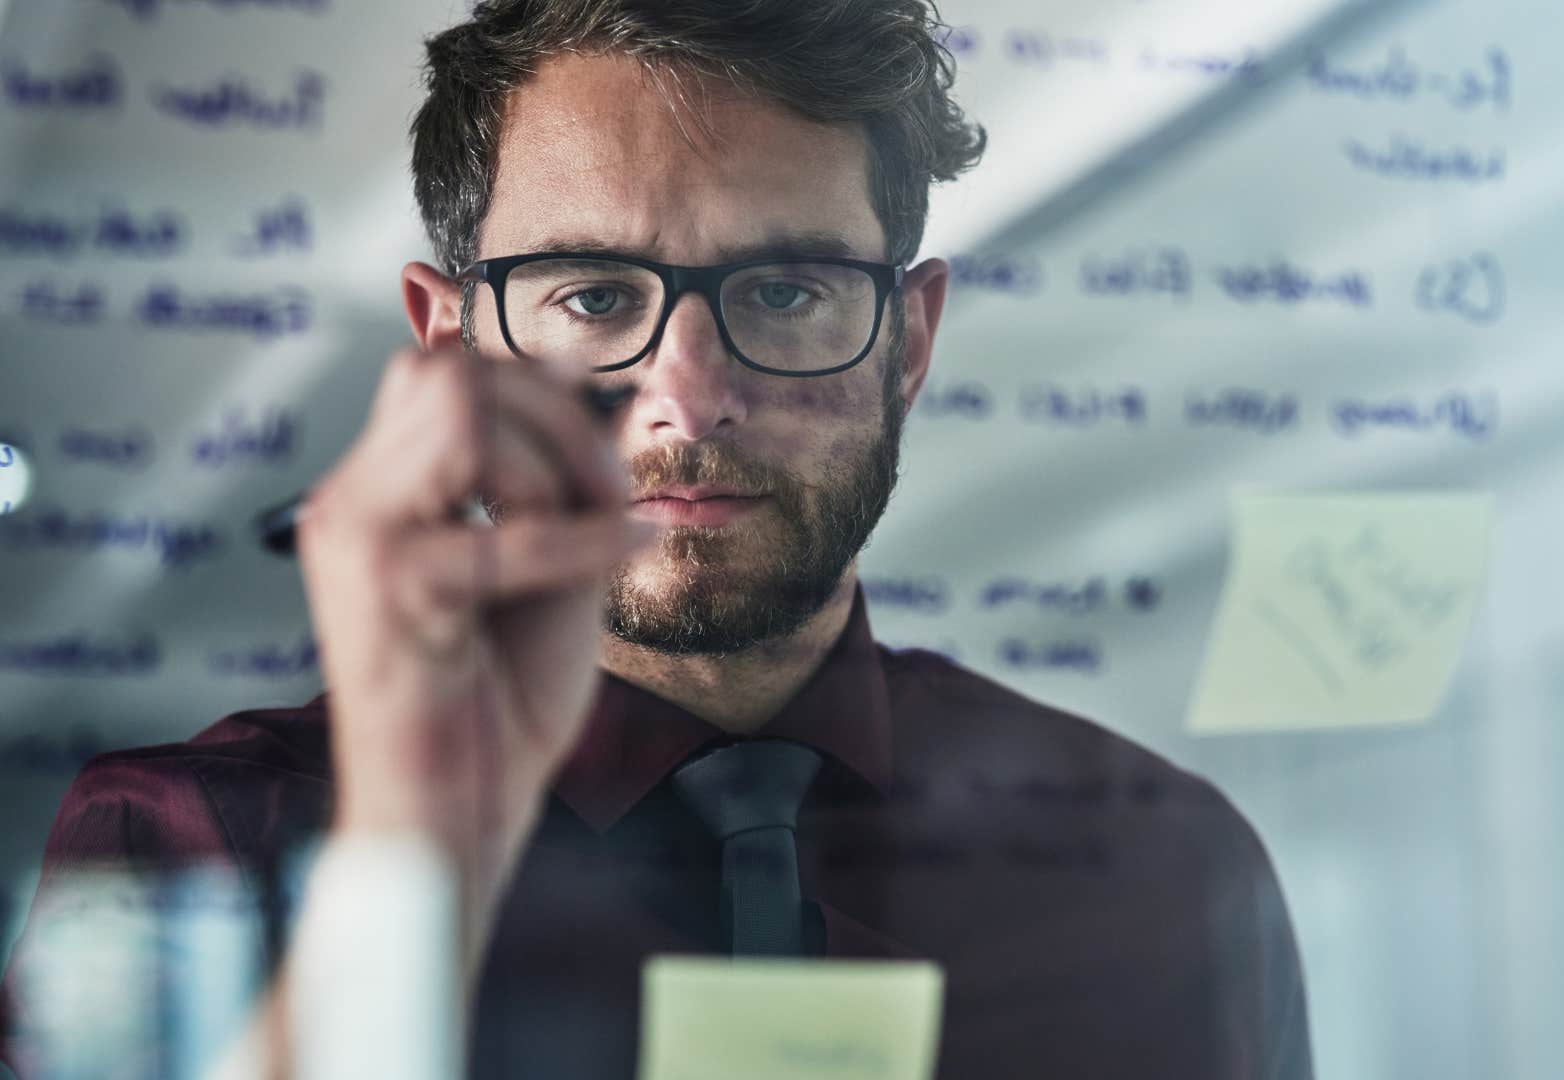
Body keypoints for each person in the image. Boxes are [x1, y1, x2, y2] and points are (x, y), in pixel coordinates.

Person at [0, 2, 1313, 1077]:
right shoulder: (187, 840)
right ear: (452, 340)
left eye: (787, 290)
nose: (689, 395)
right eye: (591, 294)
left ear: (909, 339)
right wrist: (410, 846)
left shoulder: (1165, 870)